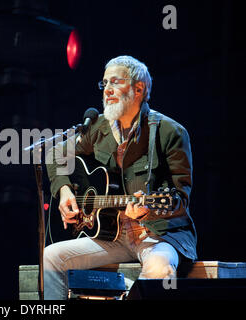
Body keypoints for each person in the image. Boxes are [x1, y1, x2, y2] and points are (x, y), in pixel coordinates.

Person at [44, 55, 197, 300]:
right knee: (51, 256)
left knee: (159, 270)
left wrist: (150, 210)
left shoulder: (170, 132)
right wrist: (64, 190)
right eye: (104, 84)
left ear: (139, 89)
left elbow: (180, 199)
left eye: (115, 82)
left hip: (158, 235)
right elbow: (55, 153)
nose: (108, 90)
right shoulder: (98, 127)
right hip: (112, 236)